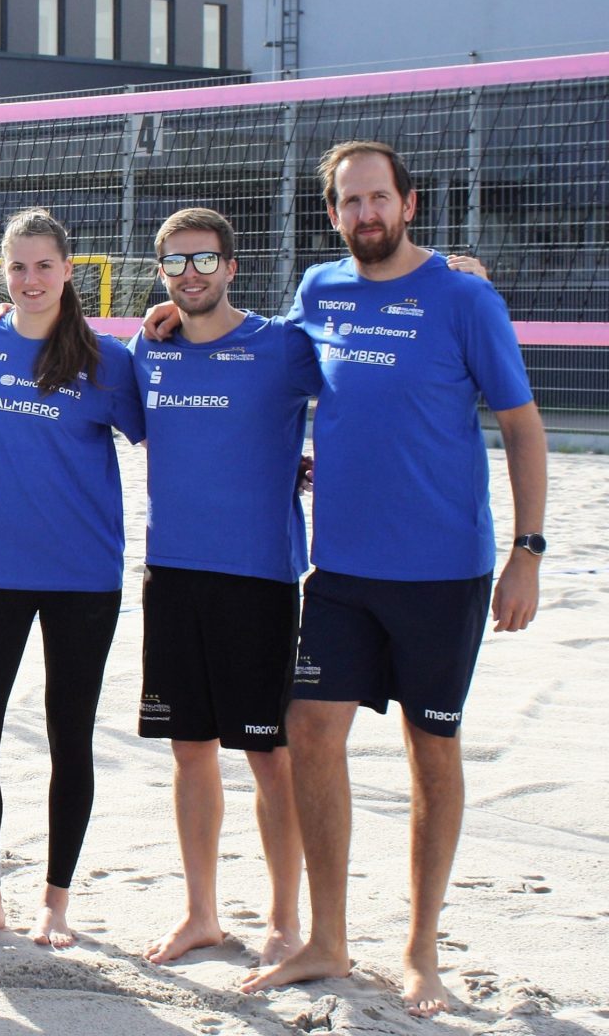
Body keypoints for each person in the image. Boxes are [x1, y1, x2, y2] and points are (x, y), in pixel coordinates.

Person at [238, 141, 546, 1017]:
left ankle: (421, 951)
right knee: (308, 729)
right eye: (349, 202)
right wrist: (176, 320)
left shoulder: (463, 297)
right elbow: (276, 368)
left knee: (431, 750)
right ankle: (329, 938)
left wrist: (529, 550)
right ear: (333, 214)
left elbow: (522, 427)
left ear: (408, 205)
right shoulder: (319, 290)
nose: (365, 213)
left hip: (444, 570)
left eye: (379, 198)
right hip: (340, 568)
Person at [0, 208, 145, 950]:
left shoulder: (106, 359)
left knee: (70, 739)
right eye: (17, 267)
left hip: (81, 576)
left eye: (43, 266)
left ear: (69, 271)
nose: (30, 280)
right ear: (3, 272)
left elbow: (176, 430)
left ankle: (56, 902)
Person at [128, 209, 317, 967]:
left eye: (203, 260)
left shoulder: (281, 347)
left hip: (259, 577)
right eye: (175, 264)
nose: (190, 275)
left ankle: (283, 921)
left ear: (232, 267)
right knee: (189, 748)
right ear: (162, 275)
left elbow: (363, 388)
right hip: (173, 572)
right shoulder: (150, 351)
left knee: (270, 755)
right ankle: (202, 914)